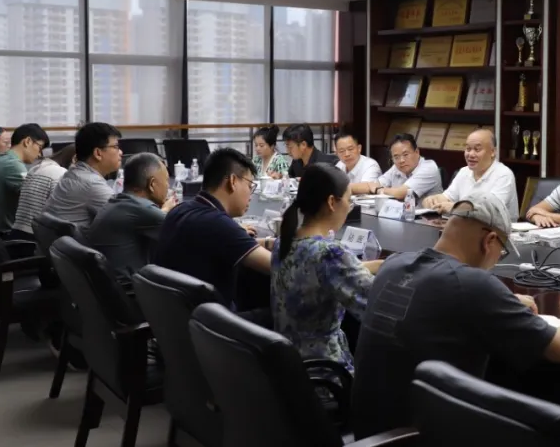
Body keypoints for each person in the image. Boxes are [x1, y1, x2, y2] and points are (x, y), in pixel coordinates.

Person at [352, 193, 560, 439]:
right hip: (420, 446)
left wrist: (502, 301)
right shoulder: (472, 285)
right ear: (489, 240)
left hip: (370, 437)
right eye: (502, 251)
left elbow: (442, 297)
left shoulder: (394, 264)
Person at [270, 164, 381, 369]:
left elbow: (320, 269)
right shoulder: (330, 254)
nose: (349, 207)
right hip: (326, 371)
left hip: (289, 366)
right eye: (349, 200)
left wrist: (378, 266)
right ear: (331, 202)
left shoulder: (282, 242)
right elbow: (379, 304)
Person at [153, 148, 275, 303]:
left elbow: (224, 242)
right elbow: (277, 266)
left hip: (176, 312)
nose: (250, 195)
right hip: (213, 316)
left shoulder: (179, 210)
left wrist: (268, 242)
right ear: (232, 181)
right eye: (250, 186)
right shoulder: (219, 223)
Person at [86, 153, 176, 284]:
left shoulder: (119, 201)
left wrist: (164, 210)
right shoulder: (142, 208)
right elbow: (184, 233)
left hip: (107, 285)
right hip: (130, 290)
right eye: (166, 180)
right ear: (152, 184)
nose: (168, 186)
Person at [423, 129, 517, 222]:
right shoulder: (464, 171)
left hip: (496, 229)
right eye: (468, 149)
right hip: (465, 226)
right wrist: (433, 200)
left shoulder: (504, 174)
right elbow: (448, 197)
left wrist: (455, 207)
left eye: (477, 149)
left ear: (493, 152)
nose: (471, 154)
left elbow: (491, 211)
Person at [47, 122, 123, 228]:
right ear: (98, 153)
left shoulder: (73, 173)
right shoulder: (92, 184)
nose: (121, 152)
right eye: (116, 147)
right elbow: (126, 218)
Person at [0, 123, 50, 231]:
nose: (39, 154)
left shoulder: (1, 159)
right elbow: (35, 199)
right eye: (39, 147)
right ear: (27, 141)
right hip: (4, 233)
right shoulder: (13, 165)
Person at [352, 133, 443, 200]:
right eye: (396, 157)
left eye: (406, 154)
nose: (401, 160)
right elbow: (372, 185)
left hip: (428, 219)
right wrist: (346, 188)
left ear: (417, 152)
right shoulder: (397, 167)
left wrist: (378, 189)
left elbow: (401, 193)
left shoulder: (428, 168)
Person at [12, 144, 75, 237]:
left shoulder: (36, 168)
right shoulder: (61, 174)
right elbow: (61, 213)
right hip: (34, 237)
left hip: (18, 232)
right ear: (75, 159)